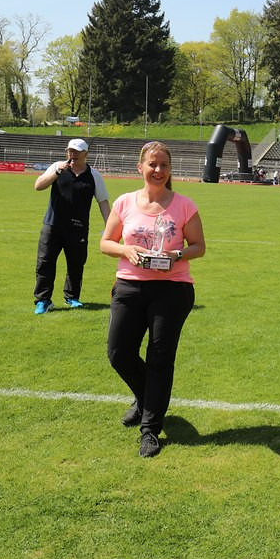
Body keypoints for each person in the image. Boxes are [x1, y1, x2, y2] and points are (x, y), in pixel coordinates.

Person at [100, 142, 205, 458]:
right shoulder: (124, 203)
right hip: (130, 288)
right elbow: (106, 242)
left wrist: (177, 254)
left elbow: (199, 246)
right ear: (140, 167)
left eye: (164, 165)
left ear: (170, 170)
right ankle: (146, 398)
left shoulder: (184, 205)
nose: (158, 170)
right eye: (153, 164)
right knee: (119, 353)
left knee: (160, 359)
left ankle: (150, 430)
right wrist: (126, 250)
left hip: (172, 291)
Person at [33, 138, 111, 314]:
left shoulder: (94, 176)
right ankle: (43, 300)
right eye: (70, 151)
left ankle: (72, 297)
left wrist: (110, 226)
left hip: (78, 228)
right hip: (52, 225)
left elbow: (103, 202)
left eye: (76, 151)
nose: (72, 154)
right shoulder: (57, 167)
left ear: (86, 154)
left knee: (76, 264)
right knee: (45, 263)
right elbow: (38, 186)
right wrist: (57, 173)